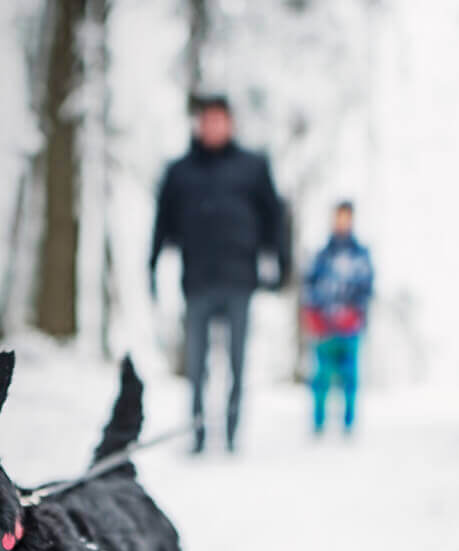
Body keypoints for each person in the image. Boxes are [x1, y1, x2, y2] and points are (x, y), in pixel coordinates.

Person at [149, 93, 292, 454]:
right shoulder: (180, 171)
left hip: (239, 280)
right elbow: (162, 220)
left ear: (230, 123)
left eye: (219, 120)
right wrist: (151, 264)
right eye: (206, 120)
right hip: (196, 280)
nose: (213, 126)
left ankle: (230, 433)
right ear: (198, 125)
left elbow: (274, 218)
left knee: (236, 364)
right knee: (196, 366)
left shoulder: (253, 167)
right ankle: (197, 433)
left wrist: (282, 263)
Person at [302, 200, 373, 437]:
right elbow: (309, 287)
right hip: (324, 328)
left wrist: (354, 314)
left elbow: (366, 290)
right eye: (338, 217)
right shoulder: (322, 256)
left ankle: (348, 424)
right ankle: (318, 423)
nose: (342, 222)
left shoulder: (360, 256)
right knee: (321, 378)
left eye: (346, 217)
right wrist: (314, 315)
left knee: (349, 378)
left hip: (349, 329)